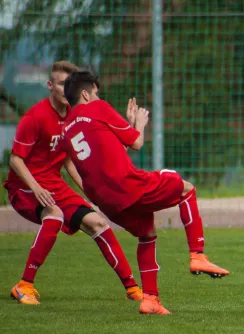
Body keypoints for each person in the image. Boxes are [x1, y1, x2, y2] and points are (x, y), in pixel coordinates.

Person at [61, 71, 229, 315]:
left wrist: (128, 126)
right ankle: (198, 255)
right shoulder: (98, 108)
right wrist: (139, 121)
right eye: (96, 93)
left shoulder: (67, 130)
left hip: (105, 201)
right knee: (186, 189)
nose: (98, 97)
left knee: (147, 233)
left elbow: (109, 153)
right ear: (86, 94)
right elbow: (137, 143)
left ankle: (150, 299)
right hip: (128, 185)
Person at [4, 61, 144, 305]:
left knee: (98, 222)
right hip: (25, 187)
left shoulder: (75, 117)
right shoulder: (34, 117)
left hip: (54, 184)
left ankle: (132, 289)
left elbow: (74, 160)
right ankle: (24, 285)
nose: (63, 88)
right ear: (50, 85)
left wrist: (92, 194)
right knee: (54, 214)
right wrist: (36, 189)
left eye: (67, 83)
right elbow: (15, 159)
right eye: (59, 83)